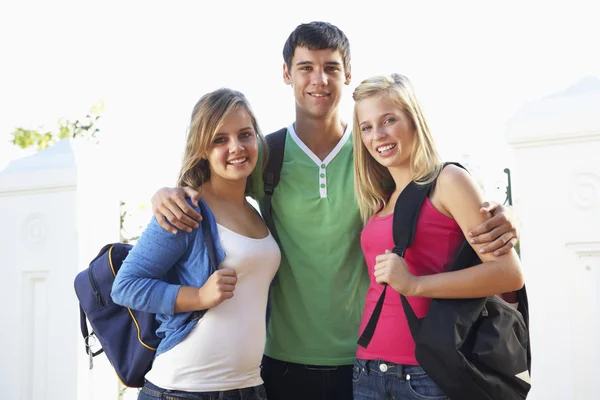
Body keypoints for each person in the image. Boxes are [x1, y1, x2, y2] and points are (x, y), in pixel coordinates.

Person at [148, 22, 521, 400]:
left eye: (330, 67)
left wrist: (505, 215)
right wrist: (168, 192)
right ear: (286, 74)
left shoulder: (373, 152)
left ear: (347, 73)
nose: (319, 79)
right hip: (281, 359)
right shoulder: (266, 156)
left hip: (365, 361)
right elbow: (215, 184)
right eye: (306, 67)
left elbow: (432, 191)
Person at [351, 73, 524, 399]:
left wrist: (416, 285)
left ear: (414, 121)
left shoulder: (448, 180)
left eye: (389, 120)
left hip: (425, 375)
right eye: (367, 127)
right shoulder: (381, 199)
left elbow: (509, 274)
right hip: (368, 372)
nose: (379, 134)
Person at [111, 88, 280, 400]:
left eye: (245, 134)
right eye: (220, 139)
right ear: (203, 148)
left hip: (248, 388)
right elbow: (126, 286)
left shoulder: (258, 212)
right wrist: (199, 296)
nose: (236, 147)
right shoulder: (186, 209)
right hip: (184, 390)